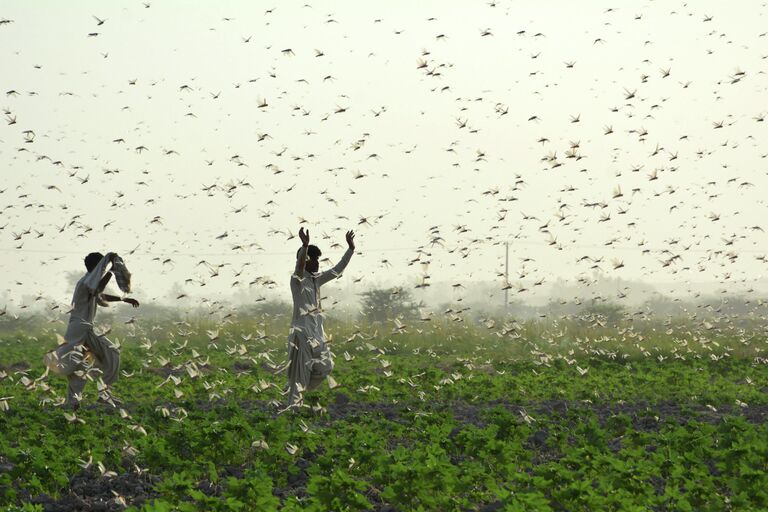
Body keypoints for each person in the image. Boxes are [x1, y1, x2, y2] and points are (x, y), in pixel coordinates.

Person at [44, 252, 139, 410]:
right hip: (82, 329)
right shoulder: (86, 283)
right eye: (102, 266)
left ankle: (76, 401)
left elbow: (100, 296)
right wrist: (111, 272)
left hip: (80, 328)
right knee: (111, 353)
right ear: (97, 267)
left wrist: (123, 299)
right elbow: (97, 291)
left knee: (80, 366)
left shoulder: (87, 282)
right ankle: (99, 396)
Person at [284, 227, 355, 411]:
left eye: (316, 259)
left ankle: (293, 390)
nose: (316, 263)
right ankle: (293, 410)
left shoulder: (317, 280)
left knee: (325, 367)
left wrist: (350, 249)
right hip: (302, 335)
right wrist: (304, 246)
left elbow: (337, 270)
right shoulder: (297, 280)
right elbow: (299, 267)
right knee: (300, 375)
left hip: (317, 336)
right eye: (312, 259)